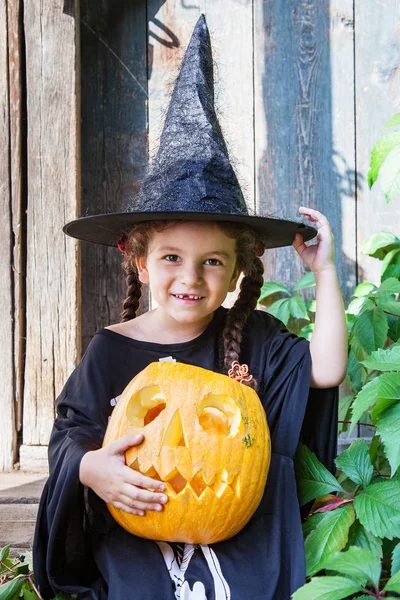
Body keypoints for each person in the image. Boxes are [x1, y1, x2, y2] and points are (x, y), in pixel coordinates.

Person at [33, 15, 347, 600]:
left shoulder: (250, 335)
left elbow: (325, 371)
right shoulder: (113, 348)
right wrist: (91, 469)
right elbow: (68, 436)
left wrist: (325, 273)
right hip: (137, 528)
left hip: (236, 530)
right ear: (140, 260)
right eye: (173, 257)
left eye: (211, 261)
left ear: (238, 266)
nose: (191, 278)